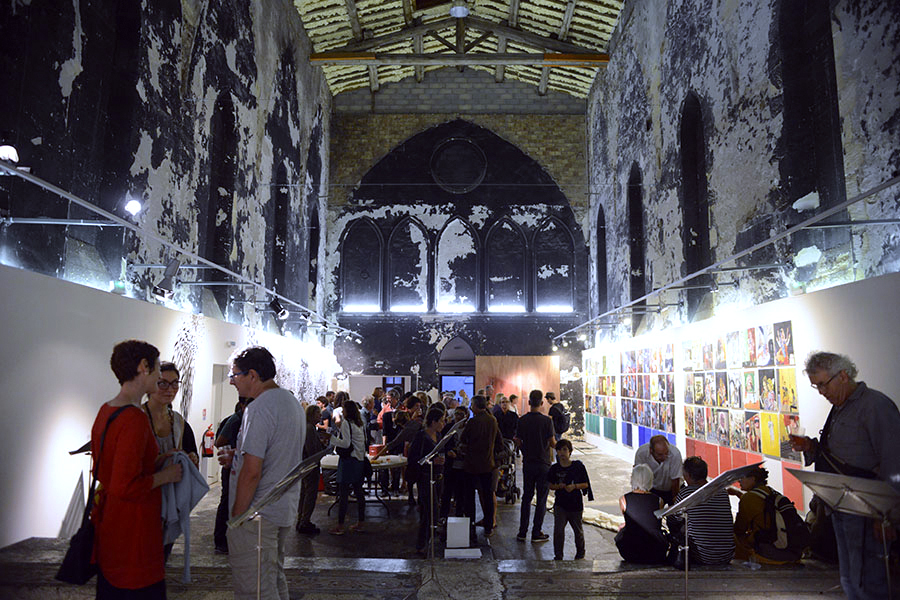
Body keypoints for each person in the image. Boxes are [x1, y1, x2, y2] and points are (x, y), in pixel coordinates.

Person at [791, 351, 900, 599]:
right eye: (816, 386)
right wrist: (810, 446)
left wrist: (886, 516)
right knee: (850, 575)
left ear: (842, 375)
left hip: (868, 510)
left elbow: (894, 462)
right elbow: (841, 453)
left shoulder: (875, 406)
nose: (821, 392)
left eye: (823, 384)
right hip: (843, 506)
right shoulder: (840, 406)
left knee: (869, 579)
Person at [92, 340, 183, 598]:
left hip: (111, 523)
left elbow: (109, 470)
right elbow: (126, 485)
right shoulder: (134, 419)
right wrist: (165, 476)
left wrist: (158, 460)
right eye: (157, 369)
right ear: (144, 367)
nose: (159, 376)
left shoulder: (106, 410)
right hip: (134, 532)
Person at [223, 346, 305, 600]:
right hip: (281, 508)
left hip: (257, 514)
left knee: (255, 589)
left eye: (235, 375)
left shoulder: (259, 408)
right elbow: (277, 452)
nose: (232, 381)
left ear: (253, 375)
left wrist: (237, 517)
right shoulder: (290, 402)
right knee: (272, 579)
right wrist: (237, 456)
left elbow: (252, 472)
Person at [667, 456, 735, 567]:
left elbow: (673, 519)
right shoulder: (722, 491)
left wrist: (673, 507)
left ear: (688, 476)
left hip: (702, 556)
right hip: (726, 555)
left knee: (676, 522)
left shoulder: (687, 493)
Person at [732, 465, 805, 564]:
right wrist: (738, 494)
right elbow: (758, 507)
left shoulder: (748, 498)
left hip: (771, 551)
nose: (739, 481)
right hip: (792, 551)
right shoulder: (770, 492)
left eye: (742, 478)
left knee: (733, 537)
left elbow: (739, 529)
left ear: (753, 479)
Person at [459, 395, 502, 541]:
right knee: (488, 496)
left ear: (476, 406)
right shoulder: (492, 420)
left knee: (469, 497)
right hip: (488, 464)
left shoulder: (473, 421)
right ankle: (489, 526)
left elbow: (463, 439)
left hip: (471, 464)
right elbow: (499, 442)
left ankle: (470, 527)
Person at [515, 389, 555, 543]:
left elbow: (518, 441)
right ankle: (536, 532)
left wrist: (525, 450)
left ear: (529, 402)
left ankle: (522, 532)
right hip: (543, 463)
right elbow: (552, 442)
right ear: (542, 403)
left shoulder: (522, 420)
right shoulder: (547, 421)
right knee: (542, 499)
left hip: (528, 463)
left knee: (527, 497)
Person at [408, 406, 446, 555]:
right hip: (425, 478)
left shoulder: (439, 435)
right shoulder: (421, 436)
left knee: (433, 510)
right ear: (433, 422)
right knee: (429, 511)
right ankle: (422, 543)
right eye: (441, 421)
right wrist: (432, 461)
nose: (443, 423)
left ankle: (428, 540)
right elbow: (414, 459)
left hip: (437, 477)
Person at [213, 398, 247, 555]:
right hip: (231, 467)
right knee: (227, 501)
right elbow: (219, 442)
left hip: (239, 465)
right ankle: (221, 541)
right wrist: (234, 452)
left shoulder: (244, 419)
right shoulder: (235, 420)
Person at [615, 464, 668, 564]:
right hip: (655, 551)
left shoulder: (624, 499)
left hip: (631, 551)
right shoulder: (659, 500)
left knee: (623, 531)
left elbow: (633, 518)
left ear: (633, 479)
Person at [548, 438, 591, 560]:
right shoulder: (554, 469)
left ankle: (580, 553)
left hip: (575, 505)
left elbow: (586, 484)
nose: (562, 453)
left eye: (564, 449)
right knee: (558, 530)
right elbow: (550, 485)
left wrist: (574, 486)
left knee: (578, 531)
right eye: (559, 450)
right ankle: (558, 555)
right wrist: (559, 486)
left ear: (570, 451)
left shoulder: (578, 467)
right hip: (560, 504)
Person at [329, 398, 367, 535]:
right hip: (359, 460)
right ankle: (361, 523)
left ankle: (340, 526)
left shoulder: (346, 423)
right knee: (359, 492)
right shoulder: (359, 424)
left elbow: (345, 444)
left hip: (348, 461)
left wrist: (331, 439)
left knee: (343, 494)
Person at [296, 403, 325, 535]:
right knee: (309, 495)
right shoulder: (309, 429)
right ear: (312, 415)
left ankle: (301, 520)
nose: (320, 416)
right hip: (310, 466)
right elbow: (312, 450)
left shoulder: (307, 428)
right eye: (318, 414)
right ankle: (304, 521)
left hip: (305, 466)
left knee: (304, 494)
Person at [633, 434, 683, 506]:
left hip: (673, 488)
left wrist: (675, 500)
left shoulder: (675, 454)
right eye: (660, 455)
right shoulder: (641, 453)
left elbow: (675, 480)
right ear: (651, 450)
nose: (664, 457)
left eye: (666, 453)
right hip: (653, 489)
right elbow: (639, 477)